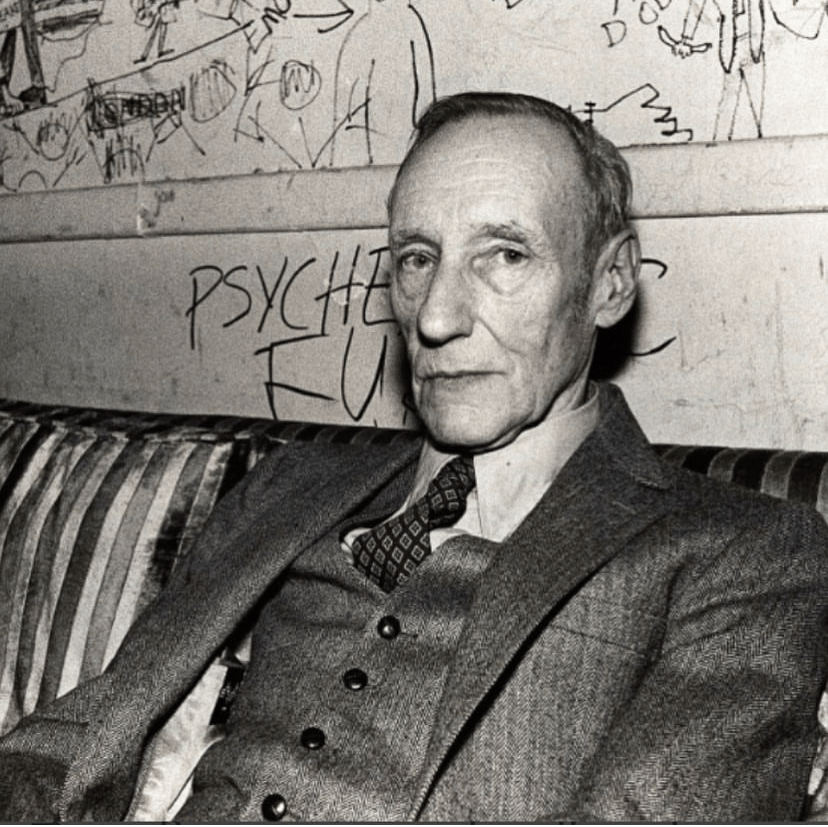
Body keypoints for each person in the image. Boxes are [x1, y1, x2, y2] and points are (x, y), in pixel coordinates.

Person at [1, 90, 828, 822]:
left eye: (505, 255)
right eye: (417, 259)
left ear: (610, 282)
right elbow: (71, 745)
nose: (435, 317)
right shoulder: (290, 487)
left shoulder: (746, 552)